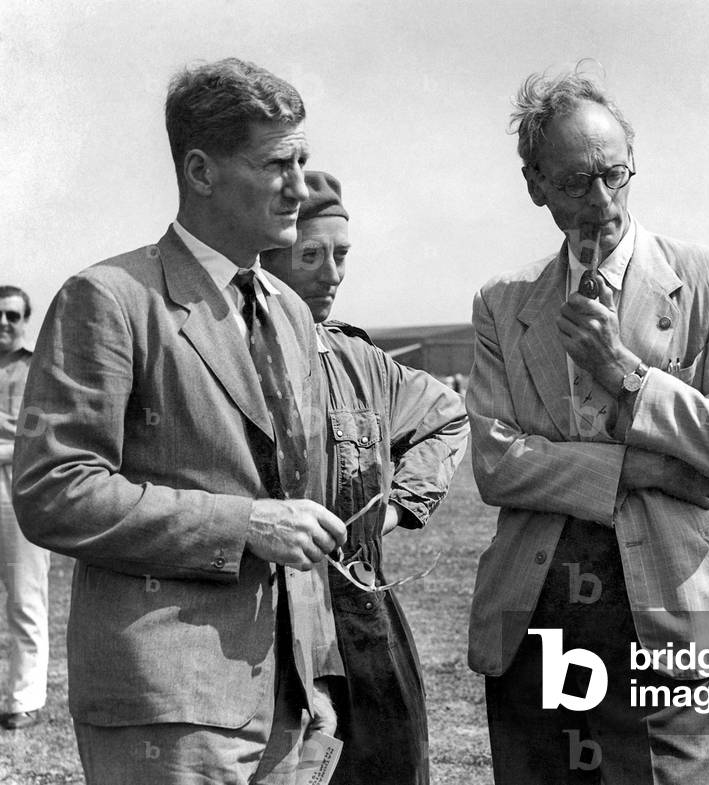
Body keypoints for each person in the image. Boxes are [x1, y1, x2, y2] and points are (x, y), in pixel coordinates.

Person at [12, 58, 347, 784]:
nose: (300, 186)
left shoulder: (289, 312)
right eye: (277, 164)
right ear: (200, 171)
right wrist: (243, 524)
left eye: (304, 161)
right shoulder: (109, 298)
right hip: (167, 708)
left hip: (290, 700)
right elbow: (53, 489)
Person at [466, 68, 709, 784]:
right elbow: (497, 463)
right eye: (575, 183)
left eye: (615, 175)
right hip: (534, 619)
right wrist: (639, 469)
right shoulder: (501, 304)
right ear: (534, 183)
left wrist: (626, 373)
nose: (601, 202)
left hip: (663, 623)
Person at [261, 170, 469, 785]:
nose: (331, 273)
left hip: (360, 611)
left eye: (341, 254)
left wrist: (399, 505)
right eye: (311, 255)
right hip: (263, 616)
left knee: (390, 763)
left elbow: (447, 417)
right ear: (269, 257)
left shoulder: (360, 362)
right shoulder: (227, 357)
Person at [0, 286, 49, 731]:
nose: (3, 323)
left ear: (24, 320)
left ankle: (24, 699)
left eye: (12, 316)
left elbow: (37, 439)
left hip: (18, 489)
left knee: (25, 597)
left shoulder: (39, 367)